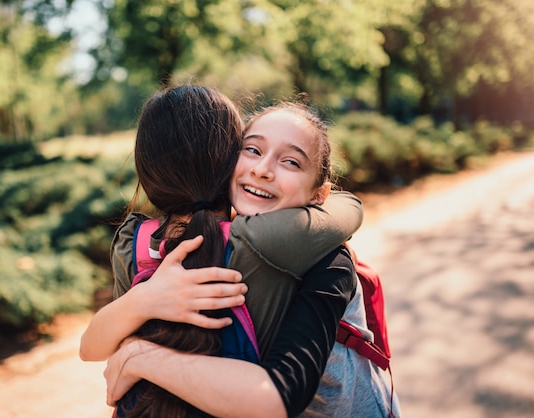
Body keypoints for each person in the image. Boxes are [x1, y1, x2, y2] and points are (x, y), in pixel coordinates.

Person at [80, 86, 366, 417]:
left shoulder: (134, 242)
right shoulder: (270, 242)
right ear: (228, 158)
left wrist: (139, 340)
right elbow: (351, 207)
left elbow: (90, 349)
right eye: (252, 149)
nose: (263, 169)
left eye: (290, 161)